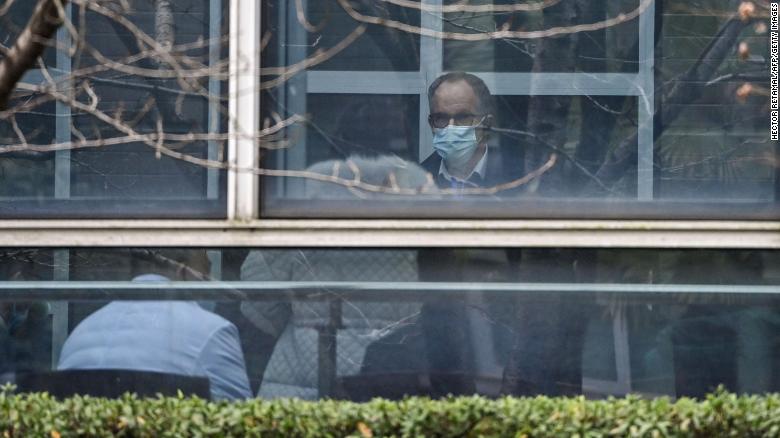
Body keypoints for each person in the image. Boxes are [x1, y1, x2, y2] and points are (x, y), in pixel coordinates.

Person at [57, 250, 252, 401]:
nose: (209, 268)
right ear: (183, 271)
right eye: (205, 273)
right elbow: (241, 423)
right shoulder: (213, 333)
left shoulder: (80, 332)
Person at [422, 71, 522, 191]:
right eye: (441, 118)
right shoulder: (417, 180)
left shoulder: (518, 177)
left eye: (463, 117)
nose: (451, 127)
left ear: (486, 124)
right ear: (431, 125)